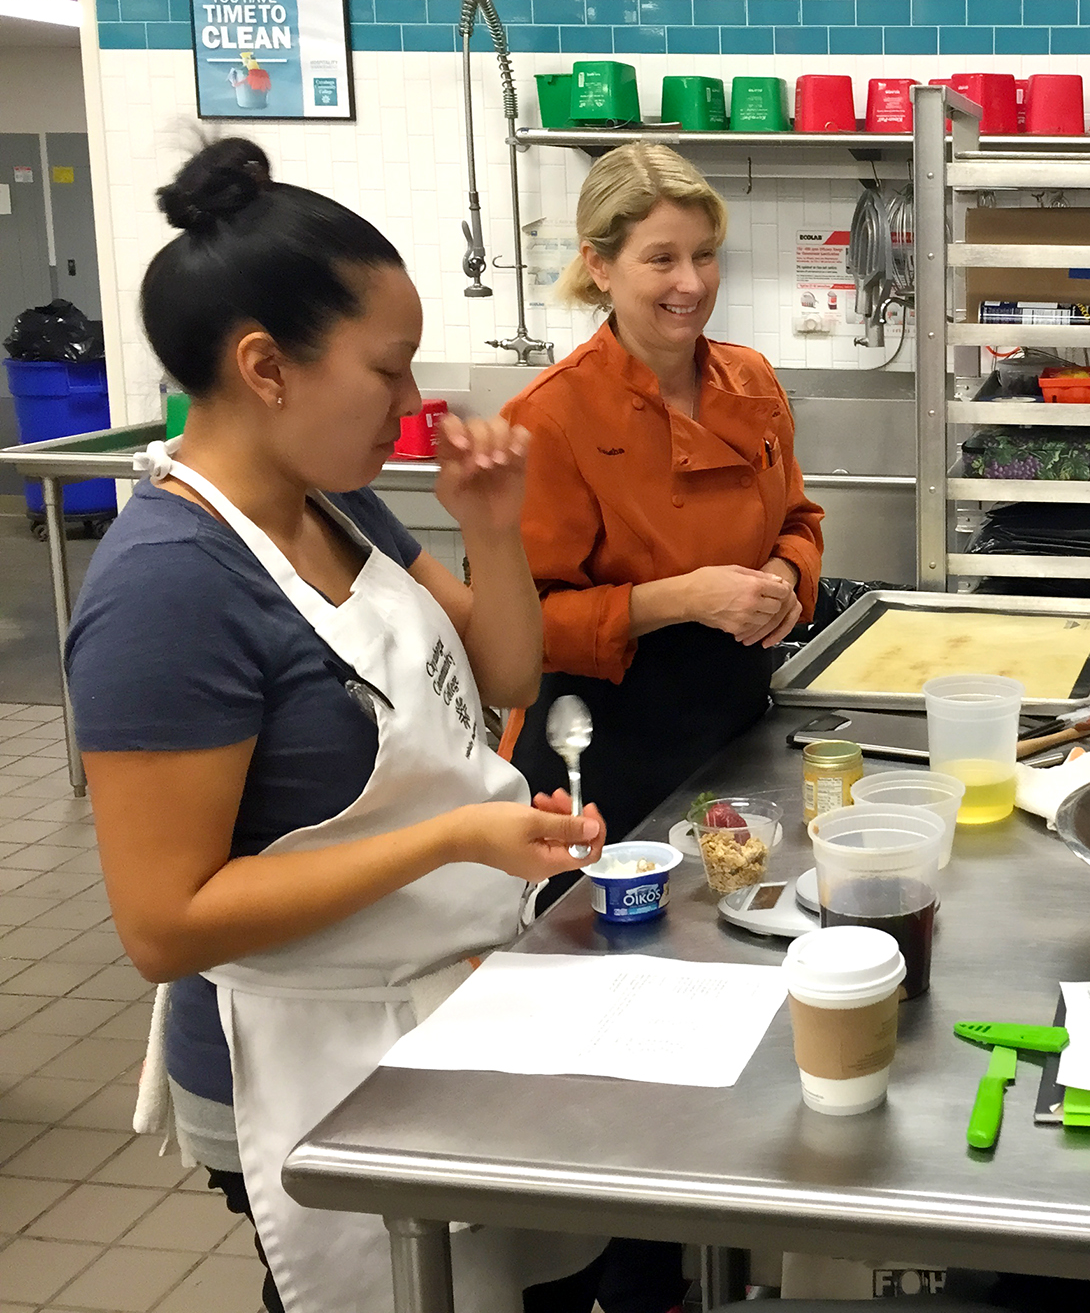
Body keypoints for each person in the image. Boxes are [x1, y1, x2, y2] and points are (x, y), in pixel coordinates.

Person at [68, 139, 608, 1313]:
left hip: (433, 1005)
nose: (413, 404)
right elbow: (166, 927)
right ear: (265, 366)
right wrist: (453, 839)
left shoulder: (337, 502)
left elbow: (507, 664)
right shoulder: (170, 584)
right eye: (389, 368)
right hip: (304, 1057)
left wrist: (495, 527)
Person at [503, 143, 824, 858]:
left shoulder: (753, 380)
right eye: (661, 259)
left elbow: (799, 522)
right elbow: (519, 630)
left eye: (705, 255)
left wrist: (781, 579)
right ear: (599, 264)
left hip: (734, 730)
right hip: (597, 752)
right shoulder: (550, 417)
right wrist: (685, 599)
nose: (691, 281)